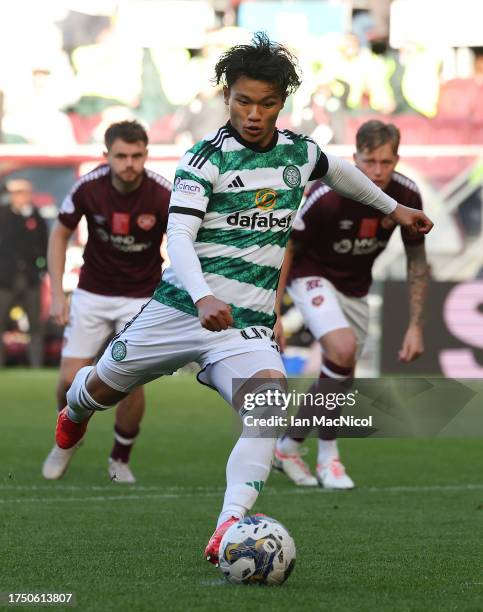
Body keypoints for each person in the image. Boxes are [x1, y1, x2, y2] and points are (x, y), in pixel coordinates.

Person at [52, 33, 432, 565]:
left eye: (267, 103)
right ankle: (75, 412)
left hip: (245, 325)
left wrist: (393, 209)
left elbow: (338, 171)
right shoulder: (204, 159)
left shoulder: (300, 153)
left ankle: (229, 523)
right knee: (95, 388)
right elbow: (179, 238)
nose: (254, 114)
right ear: (226, 97)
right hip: (180, 311)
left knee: (269, 408)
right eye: (243, 101)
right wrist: (204, 296)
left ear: (283, 102)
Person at [274, 120, 429, 489]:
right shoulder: (326, 195)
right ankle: (329, 459)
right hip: (312, 276)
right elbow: (287, 248)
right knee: (342, 350)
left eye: (386, 162)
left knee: (342, 375)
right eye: (369, 161)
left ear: (397, 159)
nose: (377, 171)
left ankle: (288, 446)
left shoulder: (407, 195)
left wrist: (416, 325)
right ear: (355, 157)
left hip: (356, 288)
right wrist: (274, 312)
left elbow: (417, 261)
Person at [42, 120, 171, 483]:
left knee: (128, 381)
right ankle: (67, 441)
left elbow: (185, 241)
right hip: (93, 292)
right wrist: (56, 292)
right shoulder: (87, 187)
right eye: (121, 156)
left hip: (141, 296)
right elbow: (59, 234)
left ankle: (120, 458)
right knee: (69, 380)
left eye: (136, 156)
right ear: (106, 156)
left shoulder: (163, 194)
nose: (129, 163)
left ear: (146, 155)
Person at [0, 179, 48, 367]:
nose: (18, 196)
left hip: (30, 279)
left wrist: (42, 270)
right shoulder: (3, 214)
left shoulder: (36, 217)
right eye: (15, 192)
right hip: (5, 279)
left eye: (22, 192)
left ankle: (36, 365)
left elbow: (45, 246)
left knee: (36, 325)